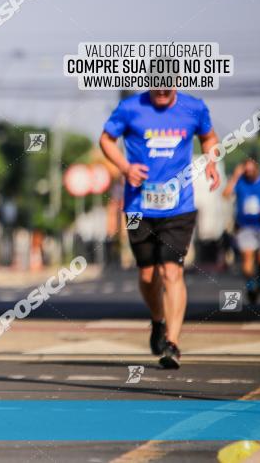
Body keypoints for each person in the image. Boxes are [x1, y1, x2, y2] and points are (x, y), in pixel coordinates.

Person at [100, 89, 220, 369]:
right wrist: (125, 167)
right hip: (136, 208)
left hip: (179, 206)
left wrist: (211, 161)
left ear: (176, 83)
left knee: (171, 271)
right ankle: (157, 319)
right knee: (146, 274)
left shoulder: (194, 108)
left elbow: (209, 137)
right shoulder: (130, 108)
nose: (163, 92)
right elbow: (106, 139)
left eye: (168, 86)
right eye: (157, 87)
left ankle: (172, 343)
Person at [223, 154, 260, 303]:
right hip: (245, 227)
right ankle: (251, 287)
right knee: (247, 259)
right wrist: (235, 176)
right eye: (246, 169)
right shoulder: (240, 182)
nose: (249, 172)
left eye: (251, 169)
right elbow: (225, 194)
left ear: (257, 168)